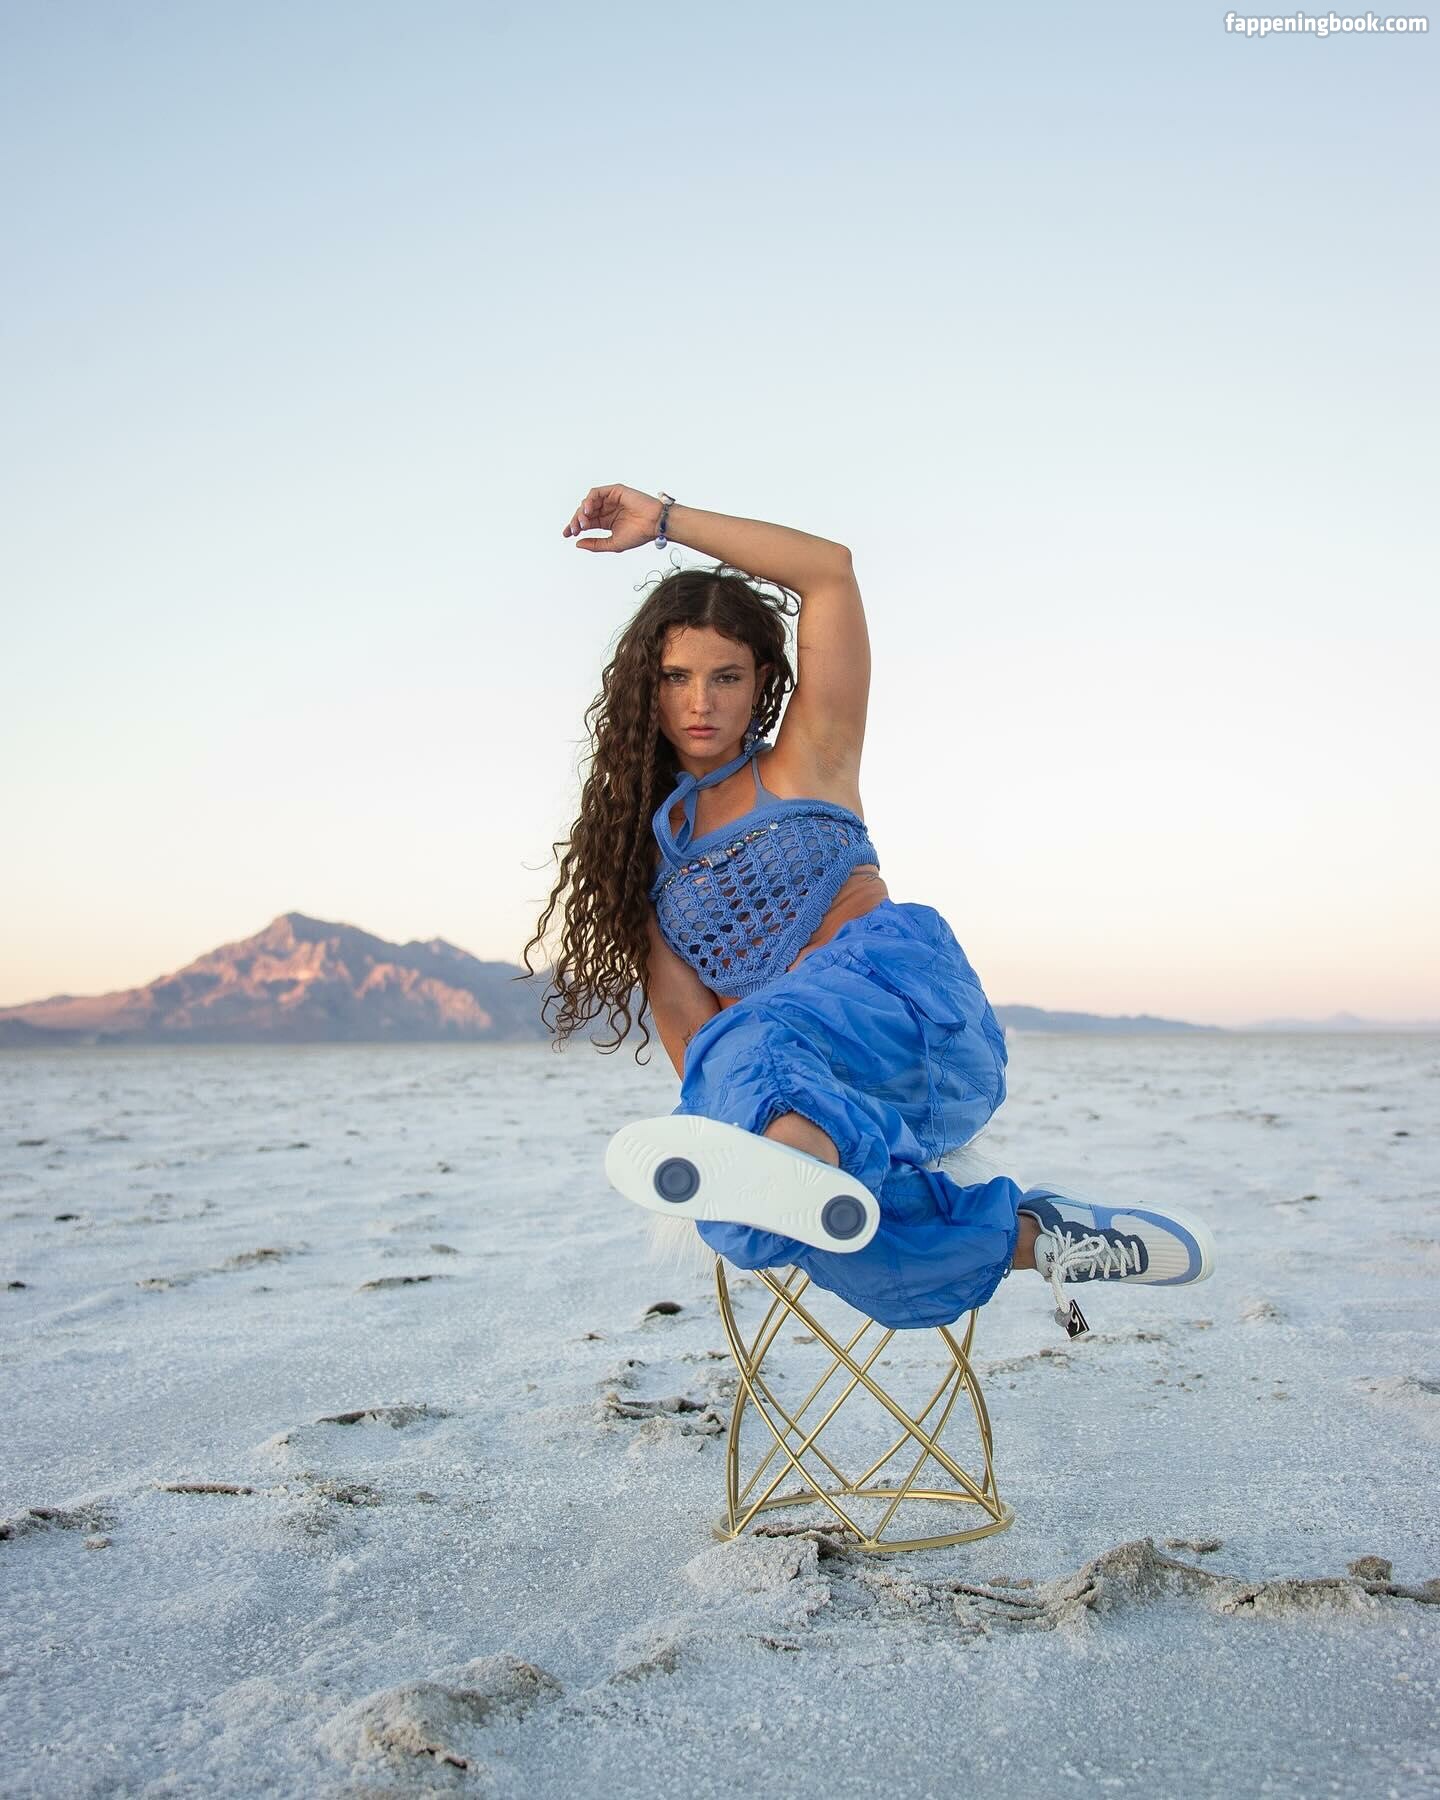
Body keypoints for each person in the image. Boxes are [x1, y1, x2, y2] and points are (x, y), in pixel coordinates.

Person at [524, 485, 1215, 1336]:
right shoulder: (644, 858)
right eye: (676, 678)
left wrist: (665, 522)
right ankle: (1043, 1236)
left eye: (726, 676)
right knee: (821, 1228)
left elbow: (829, 572)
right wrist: (726, 1104)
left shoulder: (808, 758)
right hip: (825, 1094)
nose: (701, 702)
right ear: (646, 688)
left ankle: (785, 1159)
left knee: (750, 1052)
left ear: (763, 680)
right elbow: (685, 1023)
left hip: (917, 1031)